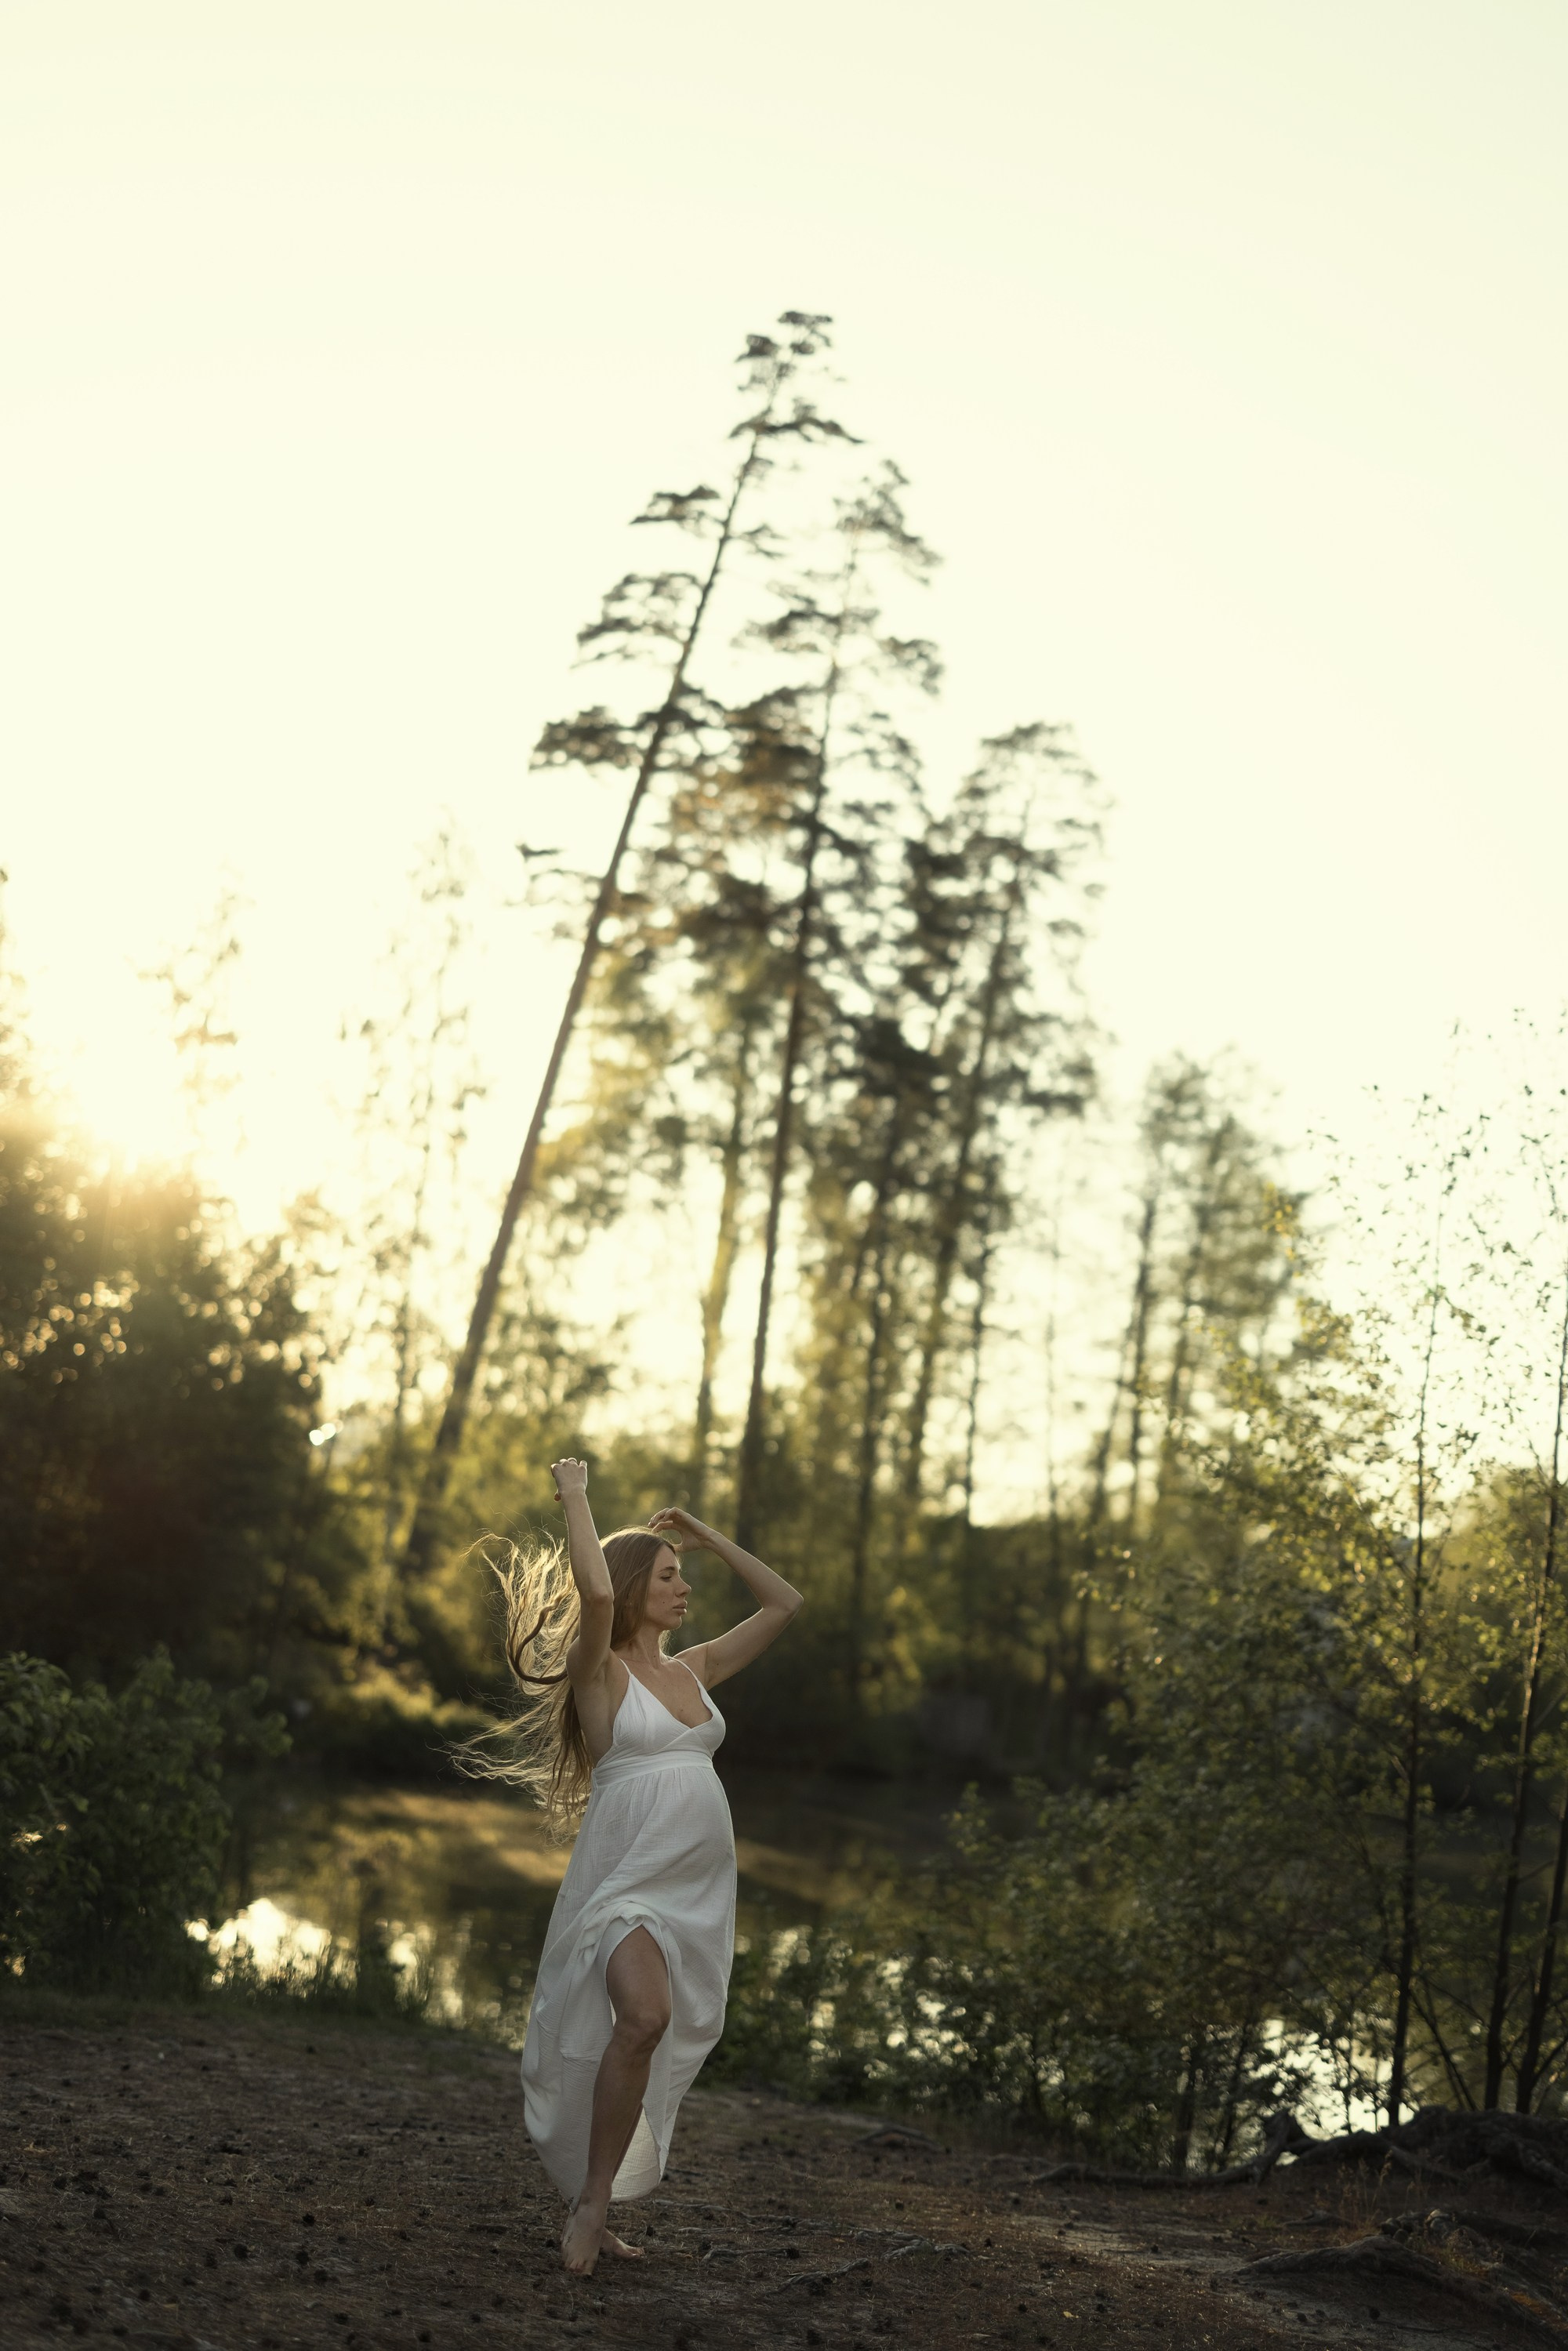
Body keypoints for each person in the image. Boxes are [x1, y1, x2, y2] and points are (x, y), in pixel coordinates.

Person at [470, 1458, 804, 2275]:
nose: (683, 1587)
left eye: (682, 1574)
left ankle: (597, 2197)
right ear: (631, 1587)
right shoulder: (602, 1672)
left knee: (648, 2031)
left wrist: (706, 1537)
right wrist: (575, 1497)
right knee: (644, 2016)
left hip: (695, 1890)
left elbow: (784, 1603)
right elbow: (592, 1596)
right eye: (666, 1575)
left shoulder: (694, 1669)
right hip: (624, 1879)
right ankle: (592, 2201)